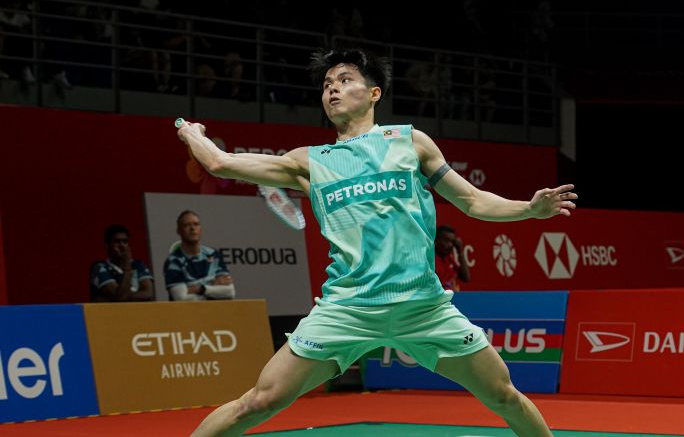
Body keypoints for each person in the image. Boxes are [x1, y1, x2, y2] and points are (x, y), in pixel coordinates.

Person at [177, 48, 577, 437]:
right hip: (347, 309)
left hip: (423, 307)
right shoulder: (308, 162)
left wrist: (529, 209)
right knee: (259, 402)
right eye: (327, 84)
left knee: (503, 395)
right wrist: (192, 134)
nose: (332, 89)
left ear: (374, 93)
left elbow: (472, 200)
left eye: (344, 80)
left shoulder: (410, 142)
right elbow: (220, 163)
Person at [163, 210, 235, 301]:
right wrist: (212, 284)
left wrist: (200, 289)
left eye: (196, 224)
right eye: (187, 225)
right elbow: (181, 298)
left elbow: (229, 292)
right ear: (179, 231)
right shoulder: (174, 261)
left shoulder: (214, 254)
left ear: (200, 229)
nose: (192, 228)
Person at [90, 225, 154, 302]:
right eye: (117, 241)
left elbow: (148, 294)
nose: (122, 245)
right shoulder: (100, 268)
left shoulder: (138, 265)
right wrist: (127, 267)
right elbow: (120, 298)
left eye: (125, 241)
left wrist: (112, 299)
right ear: (107, 245)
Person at [435, 225, 470, 290]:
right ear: (436, 240)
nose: (450, 245)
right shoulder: (430, 260)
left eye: (452, 242)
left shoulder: (449, 258)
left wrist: (460, 252)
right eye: (446, 240)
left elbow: (466, 277)